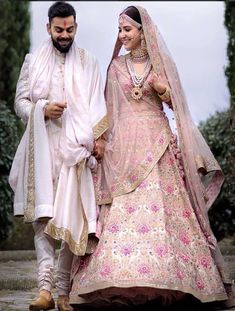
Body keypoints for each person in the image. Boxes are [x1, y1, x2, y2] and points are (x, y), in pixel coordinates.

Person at [69, 5, 234, 309]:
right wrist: (103, 142)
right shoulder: (116, 67)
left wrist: (164, 91)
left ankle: (175, 277)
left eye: (127, 30)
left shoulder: (160, 67)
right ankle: (118, 277)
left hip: (158, 146)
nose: (122, 35)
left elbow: (178, 107)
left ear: (143, 31)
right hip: (124, 149)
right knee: (121, 213)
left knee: (165, 211)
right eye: (120, 30)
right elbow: (108, 110)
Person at [9, 1, 108, 311]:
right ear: (48, 28)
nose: (64, 35)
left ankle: (64, 292)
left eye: (69, 29)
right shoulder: (32, 61)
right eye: (58, 30)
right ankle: (44, 290)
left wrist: (97, 139)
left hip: (75, 150)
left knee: (71, 218)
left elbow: (97, 104)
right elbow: (20, 102)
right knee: (43, 218)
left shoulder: (88, 62)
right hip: (42, 146)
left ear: (75, 27)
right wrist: (43, 111)